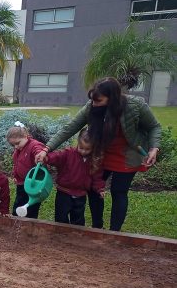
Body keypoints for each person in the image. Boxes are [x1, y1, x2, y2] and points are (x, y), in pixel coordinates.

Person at [36, 77, 161, 231]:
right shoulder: (92, 106)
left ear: (112, 98)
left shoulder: (135, 105)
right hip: (101, 154)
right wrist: (46, 149)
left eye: (99, 100)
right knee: (93, 188)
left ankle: (114, 232)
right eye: (93, 100)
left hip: (128, 155)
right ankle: (97, 227)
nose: (94, 104)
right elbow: (70, 128)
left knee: (119, 192)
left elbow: (154, 126)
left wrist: (154, 148)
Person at [45, 129, 106, 226]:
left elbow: (97, 177)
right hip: (64, 192)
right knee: (61, 218)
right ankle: (61, 233)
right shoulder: (68, 153)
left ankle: (77, 234)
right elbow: (57, 156)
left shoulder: (94, 159)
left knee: (78, 219)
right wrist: (47, 158)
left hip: (80, 194)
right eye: (81, 148)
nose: (84, 151)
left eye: (87, 149)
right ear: (78, 142)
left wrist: (100, 188)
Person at [7, 123, 46, 219]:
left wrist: (39, 155)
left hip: (33, 184)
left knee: (31, 207)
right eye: (13, 145)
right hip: (22, 183)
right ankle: (16, 222)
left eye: (17, 143)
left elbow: (38, 150)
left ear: (25, 136)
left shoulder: (34, 145)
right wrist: (16, 175)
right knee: (19, 203)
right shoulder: (20, 148)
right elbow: (17, 163)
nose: (16, 147)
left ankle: (30, 224)